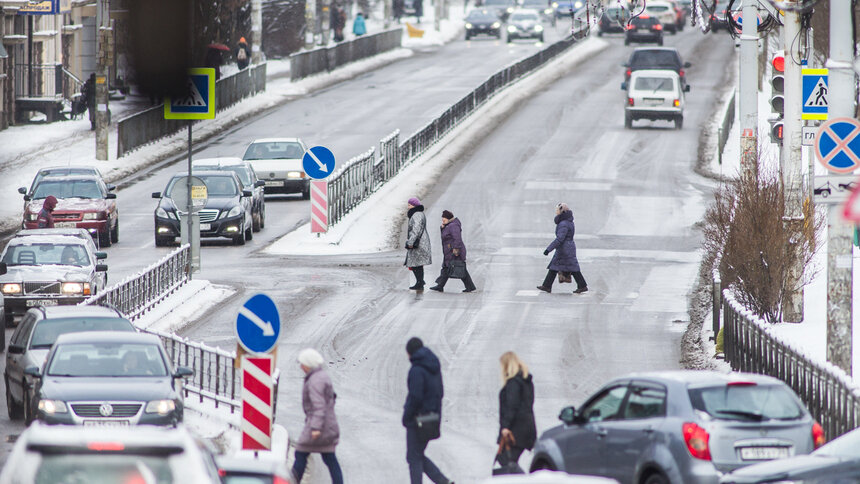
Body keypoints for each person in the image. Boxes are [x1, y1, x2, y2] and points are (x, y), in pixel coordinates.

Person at [403, 337, 453, 484]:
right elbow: (440, 392)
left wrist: (407, 416)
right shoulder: (434, 367)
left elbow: (415, 396)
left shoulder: (417, 370)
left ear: (410, 352)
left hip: (418, 420)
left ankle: (442, 481)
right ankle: (443, 481)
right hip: (432, 418)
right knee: (416, 455)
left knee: (413, 457)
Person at [292, 348, 344, 484]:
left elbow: (319, 406)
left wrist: (315, 427)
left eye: (302, 363)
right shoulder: (321, 376)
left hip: (319, 427)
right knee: (329, 457)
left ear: (308, 364)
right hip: (327, 425)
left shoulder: (315, 381)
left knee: (301, 452)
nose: (301, 366)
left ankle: (292, 481)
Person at [497, 351, 537, 469]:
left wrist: (505, 426)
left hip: (516, 430)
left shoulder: (513, 383)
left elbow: (511, 406)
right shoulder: (526, 382)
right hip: (527, 428)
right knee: (508, 461)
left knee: (506, 461)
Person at [536, 202, 587, 294]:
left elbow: (560, 239)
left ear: (562, 211)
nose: (556, 212)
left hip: (565, 249)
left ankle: (582, 286)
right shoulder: (567, 221)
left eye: (557, 210)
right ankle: (547, 286)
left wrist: (548, 249)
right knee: (556, 266)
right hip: (566, 248)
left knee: (570, 267)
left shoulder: (564, 224)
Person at [430, 210, 476, 293]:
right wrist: (442, 227)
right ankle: (440, 286)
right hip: (449, 251)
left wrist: (456, 249)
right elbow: (446, 236)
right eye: (442, 220)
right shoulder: (449, 225)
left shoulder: (453, 226)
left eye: (444, 220)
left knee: (459, 268)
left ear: (449, 219)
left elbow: (457, 238)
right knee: (446, 267)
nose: (442, 221)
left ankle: (470, 286)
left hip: (454, 251)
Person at [405, 197, 432, 290]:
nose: (408, 207)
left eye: (409, 205)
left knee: (415, 263)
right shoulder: (419, 214)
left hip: (419, 243)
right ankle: (420, 282)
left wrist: (411, 242)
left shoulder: (416, 215)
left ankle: (420, 282)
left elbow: (416, 230)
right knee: (418, 263)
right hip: (421, 241)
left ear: (414, 205)